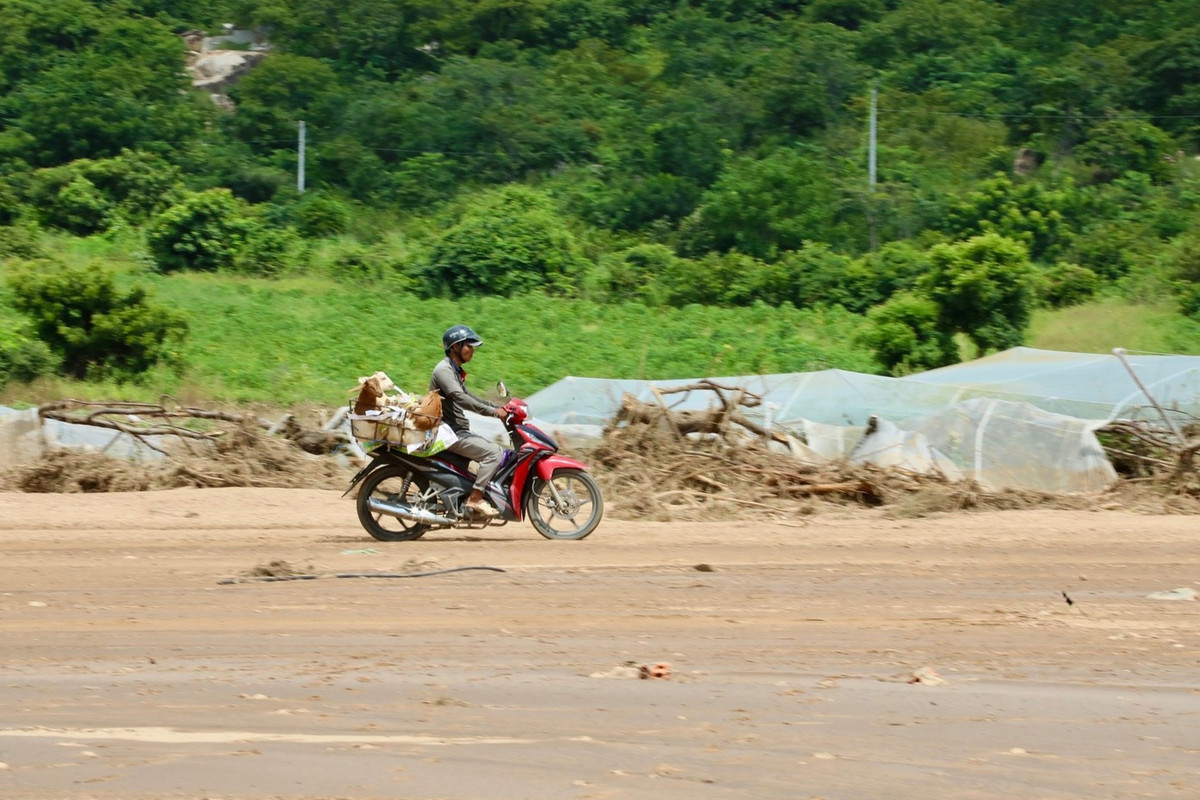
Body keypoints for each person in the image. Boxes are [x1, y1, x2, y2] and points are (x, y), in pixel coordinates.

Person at [430, 324, 509, 519]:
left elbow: (470, 396)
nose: (472, 350)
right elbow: (460, 398)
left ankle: (465, 498)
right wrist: (493, 412)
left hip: (456, 430)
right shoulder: (444, 370)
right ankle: (475, 498)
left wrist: (499, 407)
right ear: (455, 347)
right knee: (494, 453)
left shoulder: (454, 370)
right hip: (449, 432)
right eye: (469, 346)